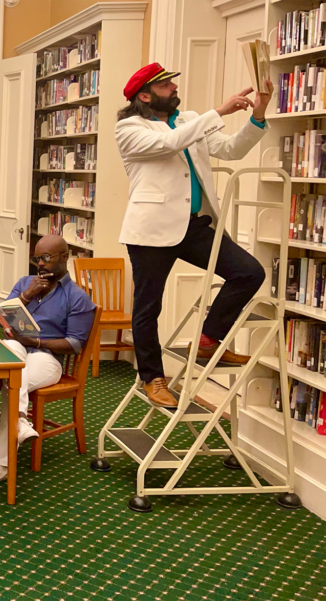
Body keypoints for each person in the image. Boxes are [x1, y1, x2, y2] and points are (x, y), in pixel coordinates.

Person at [116, 63, 271, 407]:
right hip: (151, 230)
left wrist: (257, 117)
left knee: (249, 272)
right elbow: (169, 143)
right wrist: (219, 111)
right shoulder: (129, 128)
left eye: (172, 83)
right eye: (165, 85)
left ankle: (208, 339)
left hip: (195, 225)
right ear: (145, 95)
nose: (173, 88)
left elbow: (231, 149)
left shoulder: (189, 119)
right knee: (147, 306)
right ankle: (152, 379)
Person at [0, 235, 96, 488]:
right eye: (37, 258)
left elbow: (74, 344)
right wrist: (27, 295)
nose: (40, 264)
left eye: (46, 258)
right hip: (16, 350)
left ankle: (1, 463)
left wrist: (37, 343)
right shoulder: (25, 283)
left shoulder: (77, 297)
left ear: (64, 257)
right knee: (13, 349)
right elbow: (3, 317)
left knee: (14, 381)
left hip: (47, 359)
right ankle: (20, 421)